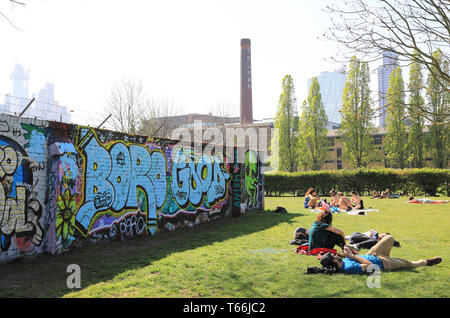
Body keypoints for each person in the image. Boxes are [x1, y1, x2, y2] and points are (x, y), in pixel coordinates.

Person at [317, 235, 441, 274]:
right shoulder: (349, 268)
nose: (335, 255)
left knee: (389, 238)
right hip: (382, 263)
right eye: (333, 256)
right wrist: (352, 256)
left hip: (373, 254)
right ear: (334, 261)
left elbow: (346, 255)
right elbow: (371, 266)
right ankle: (426, 262)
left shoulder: (342, 262)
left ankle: (390, 257)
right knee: (407, 263)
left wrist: (345, 251)